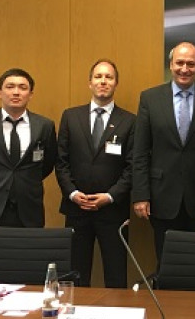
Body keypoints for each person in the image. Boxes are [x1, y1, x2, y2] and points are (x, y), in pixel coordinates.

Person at [131, 42, 195, 263]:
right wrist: (141, 195)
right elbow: (140, 151)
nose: (185, 69)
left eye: (191, 64)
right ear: (170, 65)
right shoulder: (150, 98)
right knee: (166, 261)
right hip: (161, 196)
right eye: (179, 63)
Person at [55, 59, 136, 288]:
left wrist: (110, 196)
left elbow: (132, 166)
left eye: (109, 77)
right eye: (98, 76)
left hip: (113, 210)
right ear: (90, 83)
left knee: (116, 274)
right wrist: (72, 193)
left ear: (116, 83)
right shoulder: (71, 116)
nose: (103, 81)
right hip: (77, 208)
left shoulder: (130, 121)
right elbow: (61, 161)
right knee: (76, 275)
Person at [0, 68, 57, 228]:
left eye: (23, 87)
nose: (16, 92)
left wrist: (23, 182)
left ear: (31, 94)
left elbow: (48, 163)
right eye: (10, 87)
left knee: (28, 246)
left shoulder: (44, 126)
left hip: (29, 209)